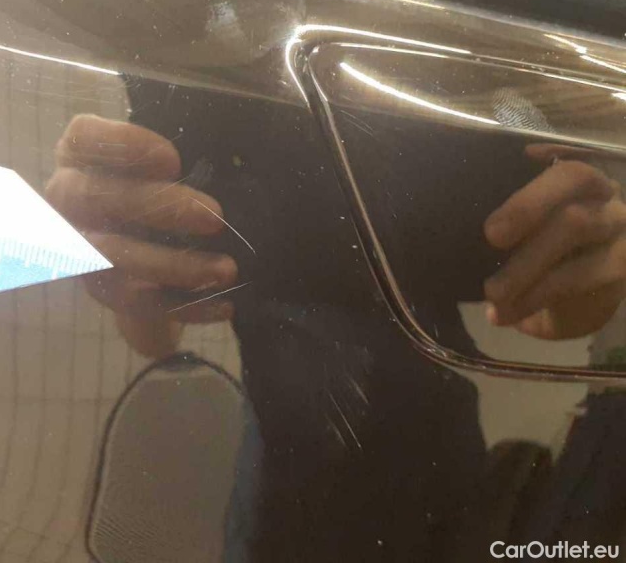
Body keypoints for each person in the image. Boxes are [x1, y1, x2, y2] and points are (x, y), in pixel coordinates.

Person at [46, 108, 626, 561]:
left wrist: (590, 275)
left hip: (405, 432)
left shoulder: (455, 97)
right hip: (305, 445)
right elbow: (151, 335)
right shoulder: (216, 78)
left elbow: (552, 309)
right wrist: (109, 255)